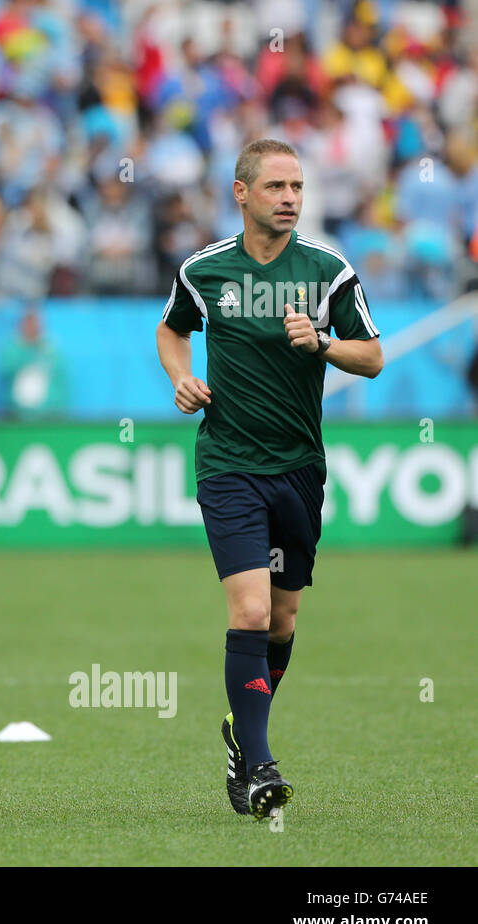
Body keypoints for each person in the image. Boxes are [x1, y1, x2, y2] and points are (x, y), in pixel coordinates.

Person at [156, 139, 382, 821]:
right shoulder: (204, 270)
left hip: (299, 470)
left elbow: (371, 357)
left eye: (298, 186)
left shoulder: (328, 270)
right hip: (227, 464)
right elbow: (171, 332)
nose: (290, 197)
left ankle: (240, 735)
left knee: (281, 622)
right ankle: (259, 764)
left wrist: (322, 343)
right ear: (241, 192)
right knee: (250, 611)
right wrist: (181, 378)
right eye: (277, 185)